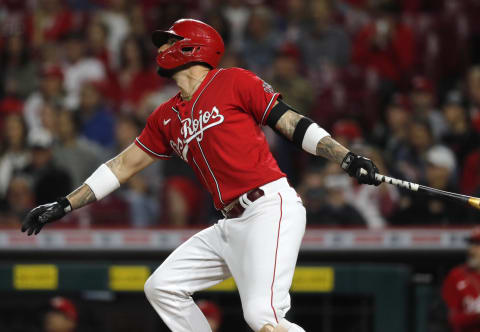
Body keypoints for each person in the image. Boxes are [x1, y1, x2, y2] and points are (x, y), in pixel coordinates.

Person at [21, 19, 380, 332]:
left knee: (261, 315)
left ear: (193, 45)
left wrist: (344, 156)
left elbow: (291, 122)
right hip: (228, 223)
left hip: (268, 207)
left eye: (170, 40)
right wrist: (65, 204)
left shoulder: (234, 81)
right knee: (162, 286)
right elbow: (121, 166)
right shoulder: (165, 115)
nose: (162, 47)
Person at [443, 228, 480, 332]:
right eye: (471, 244)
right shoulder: (456, 276)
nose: (472, 250)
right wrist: (476, 316)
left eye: (478, 245)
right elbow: (449, 318)